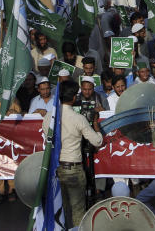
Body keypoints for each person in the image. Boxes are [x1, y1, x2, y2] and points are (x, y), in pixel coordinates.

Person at [46, 80, 103, 227]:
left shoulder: (49, 117)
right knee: (78, 211)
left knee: (62, 210)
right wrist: (96, 124)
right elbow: (97, 141)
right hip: (74, 169)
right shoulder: (79, 118)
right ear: (73, 98)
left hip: (56, 169)